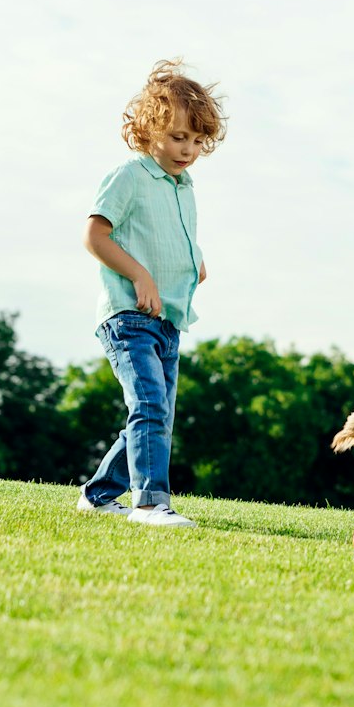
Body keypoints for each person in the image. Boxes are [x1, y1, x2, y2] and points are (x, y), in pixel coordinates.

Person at [76, 60, 225, 528]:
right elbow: (95, 235)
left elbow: (168, 232)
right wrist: (140, 275)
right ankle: (149, 504)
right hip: (128, 316)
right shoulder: (130, 176)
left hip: (169, 321)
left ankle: (99, 495)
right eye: (179, 137)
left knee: (155, 414)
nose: (189, 149)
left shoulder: (184, 187)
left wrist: (193, 257)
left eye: (198, 141)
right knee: (149, 407)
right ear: (149, 128)